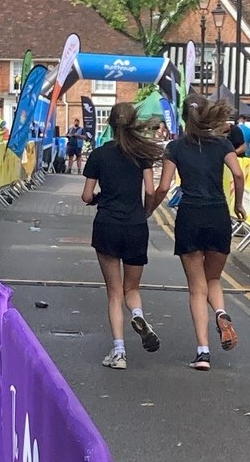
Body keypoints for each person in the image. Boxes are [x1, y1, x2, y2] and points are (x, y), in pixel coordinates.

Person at [149, 95, 246, 371]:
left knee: (196, 287)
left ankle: (203, 352)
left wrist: (150, 209)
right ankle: (221, 312)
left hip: (190, 215)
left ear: (183, 117)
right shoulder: (223, 144)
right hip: (218, 215)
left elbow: (164, 186)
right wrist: (238, 203)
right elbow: (238, 175)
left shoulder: (175, 147)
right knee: (213, 278)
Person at [81, 103, 165, 370]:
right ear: (132, 123)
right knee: (132, 289)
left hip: (106, 223)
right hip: (135, 225)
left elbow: (85, 196)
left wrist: (96, 199)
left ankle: (118, 353)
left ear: (109, 125)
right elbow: (151, 191)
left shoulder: (98, 155)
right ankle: (138, 315)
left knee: (114, 292)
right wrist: (146, 212)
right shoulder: (142, 154)